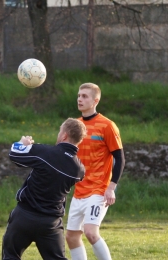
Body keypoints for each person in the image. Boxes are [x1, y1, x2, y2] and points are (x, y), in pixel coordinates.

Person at [2, 118, 87, 260]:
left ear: (64, 135)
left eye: (60, 131)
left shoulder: (44, 152)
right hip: (51, 224)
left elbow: (14, 155)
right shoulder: (79, 170)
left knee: (11, 256)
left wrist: (22, 144)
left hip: (24, 216)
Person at [66, 83, 125, 260]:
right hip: (80, 190)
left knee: (91, 233)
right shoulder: (76, 126)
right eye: (78, 95)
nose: (80, 99)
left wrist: (111, 187)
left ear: (95, 100)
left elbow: (120, 158)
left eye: (84, 96)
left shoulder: (107, 126)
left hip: (99, 190)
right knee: (71, 237)